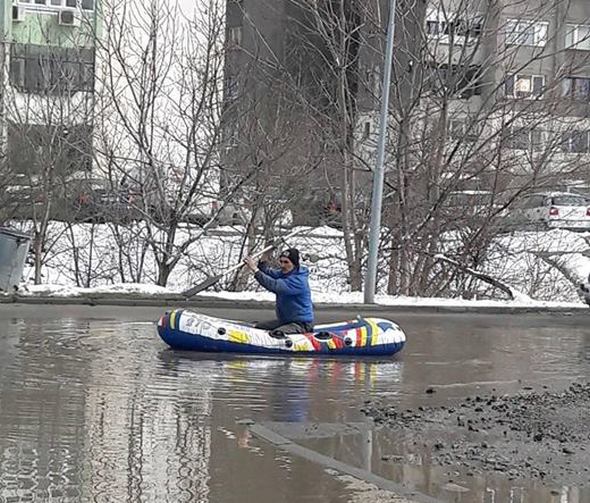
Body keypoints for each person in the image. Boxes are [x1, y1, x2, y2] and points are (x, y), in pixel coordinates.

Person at [243, 248, 314, 335]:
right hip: (285, 321)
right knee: (259, 327)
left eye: (286, 262)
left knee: (277, 334)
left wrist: (254, 269)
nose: (282, 265)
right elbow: (266, 271)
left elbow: (273, 285)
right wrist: (266, 254)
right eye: (281, 261)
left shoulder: (299, 281)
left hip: (301, 324)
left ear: (294, 264)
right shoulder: (284, 273)